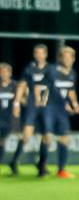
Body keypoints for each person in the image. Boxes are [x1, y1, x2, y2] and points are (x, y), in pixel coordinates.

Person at [11, 43, 56, 177]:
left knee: (47, 137)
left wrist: (45, 100)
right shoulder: (29, 68)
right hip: (32, 106)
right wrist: (17, 103)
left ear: (46, 54)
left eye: (41, 53)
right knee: (26, 135)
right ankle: (13, 162)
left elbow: (50, 87)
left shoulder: (51, 69)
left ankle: (41, 165)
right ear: (34, 54)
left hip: (47, 107)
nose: (39, 55)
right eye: (36, 53)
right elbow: (22, 85)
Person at [41, 48, 79, 178]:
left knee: (65, 138)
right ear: (60, 58)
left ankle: (61, 170)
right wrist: (42, 102)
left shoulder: (72, 73)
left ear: (73, 59)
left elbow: (70, 90)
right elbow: (44, 88)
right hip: (49, 107)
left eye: (69, 57)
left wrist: (74, 104)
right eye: (64, 57)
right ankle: (41, 166)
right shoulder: (52, 70)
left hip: (61, 110)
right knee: (48, 138)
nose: (67, 59)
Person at [0, 62, 17, 173]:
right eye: (1, 72)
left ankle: (11, 163)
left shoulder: (15, 86)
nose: (3, 74)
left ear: (10, 73)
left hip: (9, 119)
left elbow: (22, 99)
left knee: (2, 141)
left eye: (6, 72)